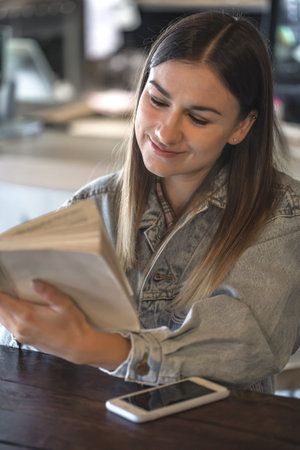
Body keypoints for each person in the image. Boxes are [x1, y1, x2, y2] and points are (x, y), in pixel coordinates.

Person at [0, 11, 299, 394]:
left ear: (241, 127)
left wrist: (96, 347)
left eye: (198, 118)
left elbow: (245, 344)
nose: (165, 131)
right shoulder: (96, 205)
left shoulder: (284, 218)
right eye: (157, 100)